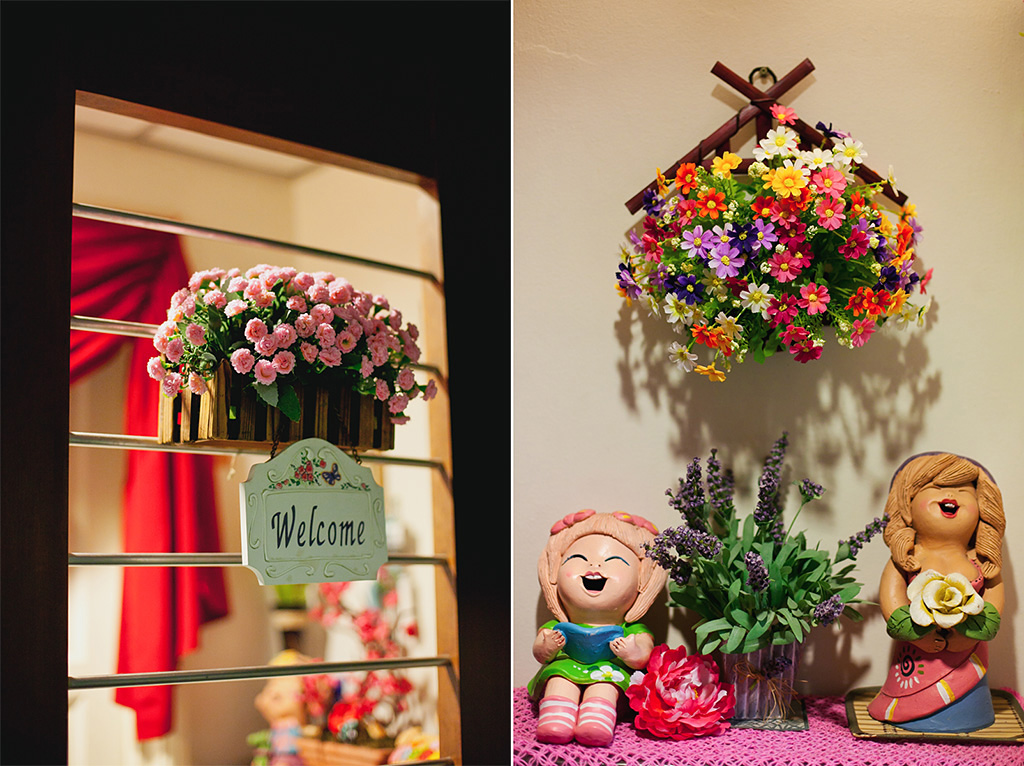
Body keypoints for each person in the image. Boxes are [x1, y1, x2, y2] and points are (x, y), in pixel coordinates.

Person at [867, 453, 1005, 732]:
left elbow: (994, 601)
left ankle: (969, 714)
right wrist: (918, 635)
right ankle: (911, 713)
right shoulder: (908, 559)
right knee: (912, 693)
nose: (950, 495)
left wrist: (972, 634)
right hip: (917, 656)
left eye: (963, 491)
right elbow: (892, 602)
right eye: (937, 488)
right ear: (907, 505)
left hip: (968, 653)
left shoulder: (981, 562)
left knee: (969, 699)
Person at [528, 510, 668, 747]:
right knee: (559, 680)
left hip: (609, 673)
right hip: (565, 667)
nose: (595, 566)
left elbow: (644, 655)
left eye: (615, 562)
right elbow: (540, 652)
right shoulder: (558, 626)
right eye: (578, 558)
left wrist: (631, 652)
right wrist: (548, 645)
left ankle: (595, 723)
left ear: (642, 581)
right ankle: (555, 720)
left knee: (604, 686)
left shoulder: (631, 629)